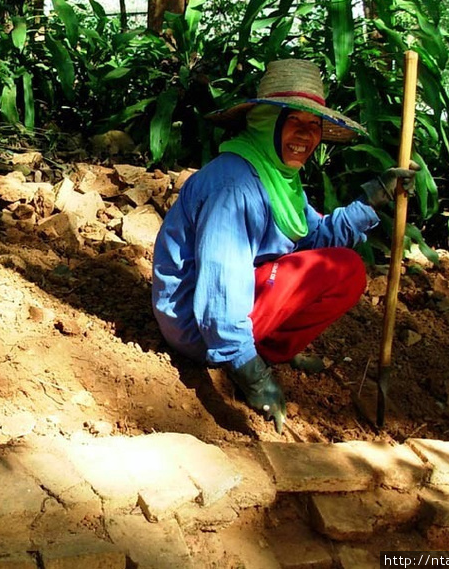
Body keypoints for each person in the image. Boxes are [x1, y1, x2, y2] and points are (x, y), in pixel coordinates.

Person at [151, 59, 419, 433]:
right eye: (294, 121)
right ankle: (246, 355)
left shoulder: (279, 179)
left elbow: (314, 240)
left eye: (314, 126)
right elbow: (220, 288)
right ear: (265, 122)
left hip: (226, 305)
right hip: (197, 322)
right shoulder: (236, 185)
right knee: (343, 268)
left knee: (341, 270)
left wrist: (373, 199)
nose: (306, 135)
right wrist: (253, 377)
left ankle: (268, 349)